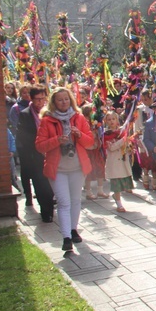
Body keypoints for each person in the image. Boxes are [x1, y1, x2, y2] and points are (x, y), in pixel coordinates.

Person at [35, 87, 94, 251]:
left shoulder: (79, 117)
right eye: (60, 100)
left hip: (77, 167)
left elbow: (90, 142)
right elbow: (39, 146)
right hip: (58, 169)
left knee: (75, 200)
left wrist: (80, 135)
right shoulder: (47, 120)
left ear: (71, 100)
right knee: (63, 202)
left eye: (66, 99)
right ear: (54, 102)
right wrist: (56, 140)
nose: (63, 102)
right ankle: (66, 237)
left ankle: (74, 230)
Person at [16, 85, 55, 222]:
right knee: (40, 183)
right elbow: (24, 136)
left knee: (51, 185)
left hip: (52, 153)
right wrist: (38, 147)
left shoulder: (50, 113)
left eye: (43, 98)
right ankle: (46, 211)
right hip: (36, 155)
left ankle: (50, 205)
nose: (41, 102)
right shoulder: (25, 114)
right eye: (37, 99)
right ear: (31, 99)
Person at [103, 111, 134, 213]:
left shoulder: (122, 132)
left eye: (113, 119)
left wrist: (129, 149)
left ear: (117, 120)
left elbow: (126, 146)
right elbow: (111, 147)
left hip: (122, 161)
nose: (111, 121)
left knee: (122, 183)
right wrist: (123, 140)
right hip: (114, 162)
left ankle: (117, 197)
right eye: (109, 119)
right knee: (116, 184)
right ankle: (119, 203)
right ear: (106, 121)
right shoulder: (106, 134)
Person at [81, 103, 108, 200]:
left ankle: (100, 190)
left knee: (100, 167)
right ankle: (88, 192)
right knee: (88, 171)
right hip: (88, 150)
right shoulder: (83, 122)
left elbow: (98, 134)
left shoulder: (95, 122)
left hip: (96, 149)